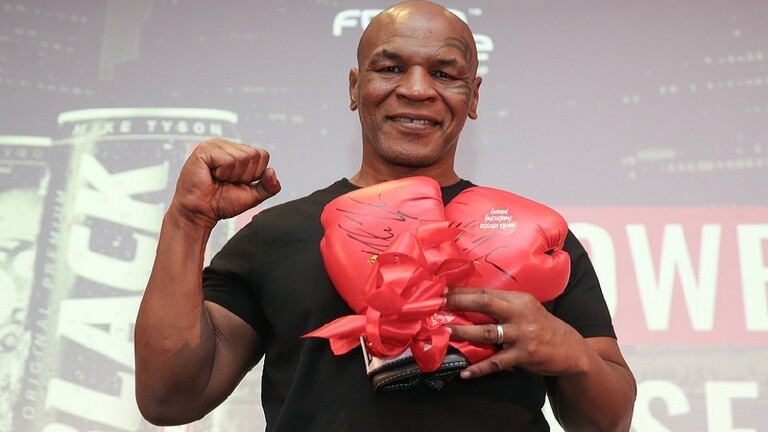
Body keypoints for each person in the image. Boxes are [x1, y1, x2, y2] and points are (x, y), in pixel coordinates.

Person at [134, 1, 637, 431]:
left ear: (473, 96)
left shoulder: (531, 232)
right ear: (355, 88)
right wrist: (188, 220)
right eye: (391, 68)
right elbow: (167, 398)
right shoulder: (276, 235)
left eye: (444, 73)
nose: (417, 89)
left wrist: (567, 350)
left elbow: (610, 421)